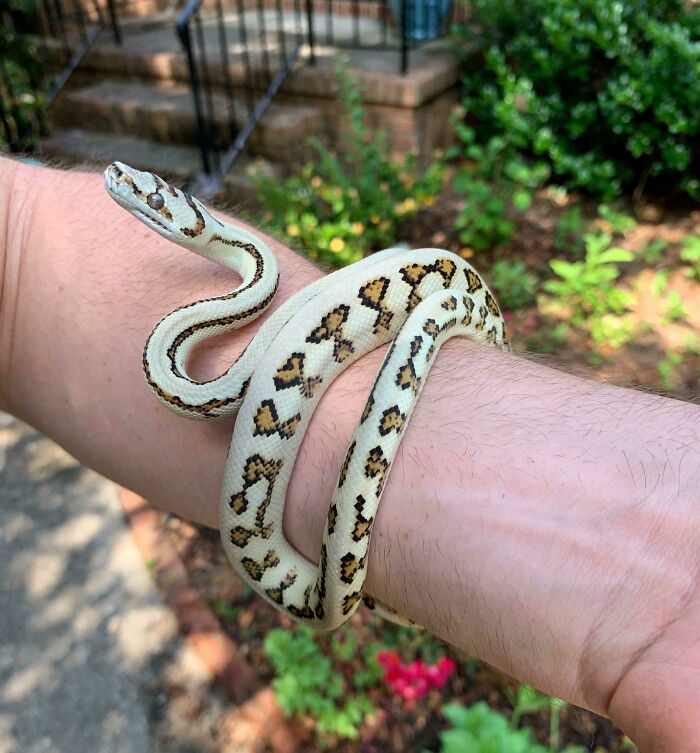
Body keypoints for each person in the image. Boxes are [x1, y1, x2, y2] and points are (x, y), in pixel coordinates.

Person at [0, 157, 698, 752]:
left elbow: (18, 247)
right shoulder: (221, 301)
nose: (129, 188)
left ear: (181, 216)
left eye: (151, 193)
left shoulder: (250, 275)